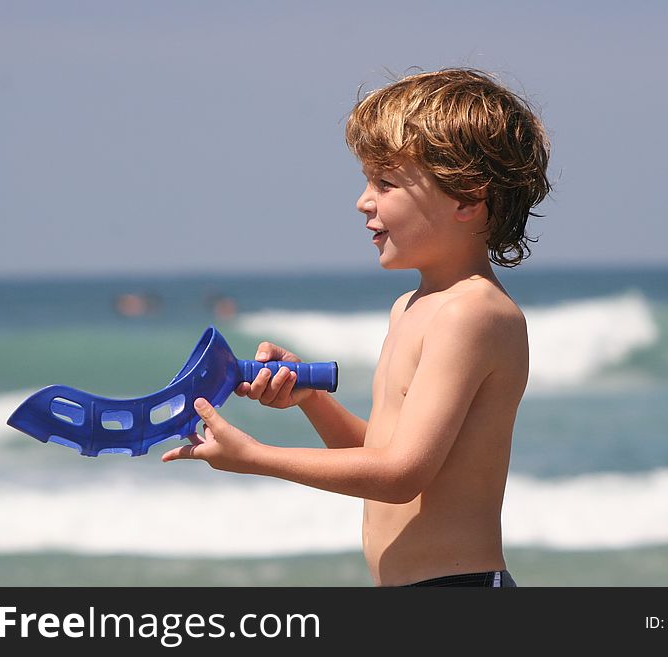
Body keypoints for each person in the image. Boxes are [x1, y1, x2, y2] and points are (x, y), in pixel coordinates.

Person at [162, 68, 551, 587]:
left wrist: (256, 458)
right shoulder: (411, 307)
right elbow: (382, 456)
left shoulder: (472, 313)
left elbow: (401, 476)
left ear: (466, 198)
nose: (363, 200)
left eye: (386, 183)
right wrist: (311, 400)